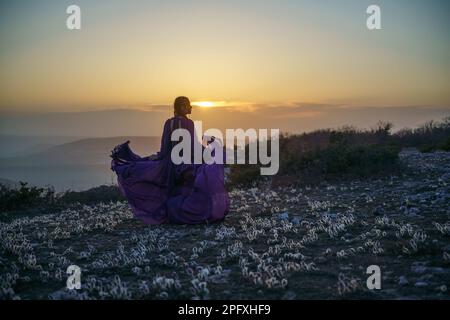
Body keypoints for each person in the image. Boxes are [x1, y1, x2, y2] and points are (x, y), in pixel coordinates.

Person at [110, 96, 229, 225]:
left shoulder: (169, 123)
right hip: (185, 164)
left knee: (165, 186)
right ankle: (200, 212)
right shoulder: (189, 123)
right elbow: (193, 146)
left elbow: (165, 147)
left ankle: (171, 213)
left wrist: (158, 159)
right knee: (201, 182)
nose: (191, 107)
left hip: (169, 165)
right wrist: (210, 150)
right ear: (182, 107)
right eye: (188, 105)